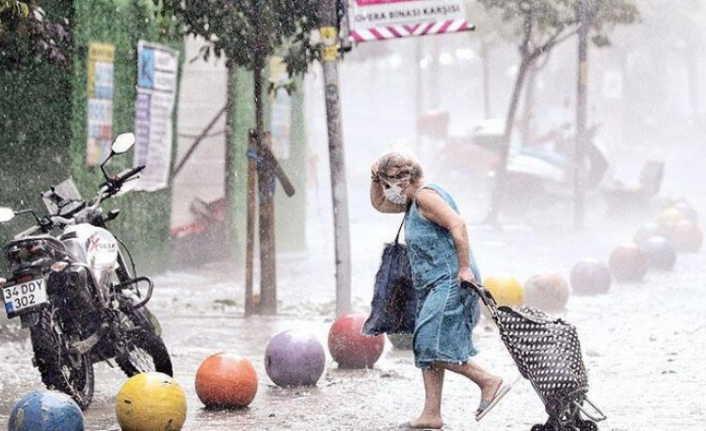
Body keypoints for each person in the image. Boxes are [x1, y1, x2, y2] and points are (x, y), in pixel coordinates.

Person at [370, 146, 511, 429]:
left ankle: (488, 381)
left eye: (389, 184)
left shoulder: (425, 196)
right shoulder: (411, 202)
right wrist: (374, 178)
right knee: (428, 349)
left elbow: (458, 225)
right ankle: (431, 414)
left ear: (404, 180)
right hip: (431, 284)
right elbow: (380, 205)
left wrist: (464, 268)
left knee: (427, 342)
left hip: (451, 280)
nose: (388, 190)